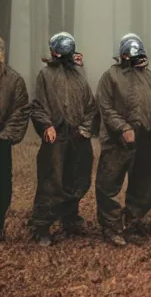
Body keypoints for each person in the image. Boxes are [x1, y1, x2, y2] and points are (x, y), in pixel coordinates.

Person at [95, 33, 151, 246]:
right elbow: (105, 107)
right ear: (122, 54)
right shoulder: (110, 76)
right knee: (108, 185)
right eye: (130, 52)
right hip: (117, 140)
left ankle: (133, 222)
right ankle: (111, 226)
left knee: (145, 186)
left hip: (144, 139)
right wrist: (123, 127)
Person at [30, 32, 99, 246]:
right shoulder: (45, 76)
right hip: (56, 136)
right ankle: (41, 225)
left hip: (78, 135)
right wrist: (46, 126)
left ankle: (70, 218)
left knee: (78, 177)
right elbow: (38, 106)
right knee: (52, 180)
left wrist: (86, 129)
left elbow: (90, 106)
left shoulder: (79, 75)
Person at [0, 37, 30, 241]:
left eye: (0, 49)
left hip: (2, 140)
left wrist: (5, 135)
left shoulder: (14, 80)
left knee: (3, 185)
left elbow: (20, 110)